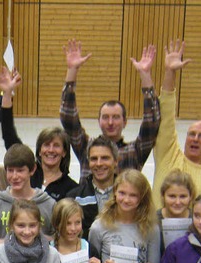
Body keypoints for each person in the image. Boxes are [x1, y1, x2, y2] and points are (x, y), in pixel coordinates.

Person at [60, 39, 160, 180]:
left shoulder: (135, 152)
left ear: (125, 122)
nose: (110, 122)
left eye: (116, 117)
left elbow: (152, 122)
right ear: (99, 121)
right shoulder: (86, 147)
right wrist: (72, 70)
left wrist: (145, 74)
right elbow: (68, 117)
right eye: (105, 117)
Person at [152, 40, 201, 196]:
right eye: (192, 134)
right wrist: (170, 73)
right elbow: (166, 116)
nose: (195, 139)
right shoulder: (168, 157)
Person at [0, 67, 77, 201]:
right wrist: (7, 94)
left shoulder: (72, 188)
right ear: (39, 150)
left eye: (56, 145)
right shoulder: (28, 173)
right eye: (46, 145)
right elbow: (8, 134)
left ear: (64, 152)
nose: (51, 150)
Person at [0, 144, 56, 251]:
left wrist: (43, 239)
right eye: (10, 170)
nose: (14, 176)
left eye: (20, 170)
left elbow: (59, 240)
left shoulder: (48, 204)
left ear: (32, 169)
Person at [66, 136, 119, 239]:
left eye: (105, 158)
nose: (99, 163)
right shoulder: (74, 198)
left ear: (116, 161)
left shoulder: (127, 196)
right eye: (94, 159)